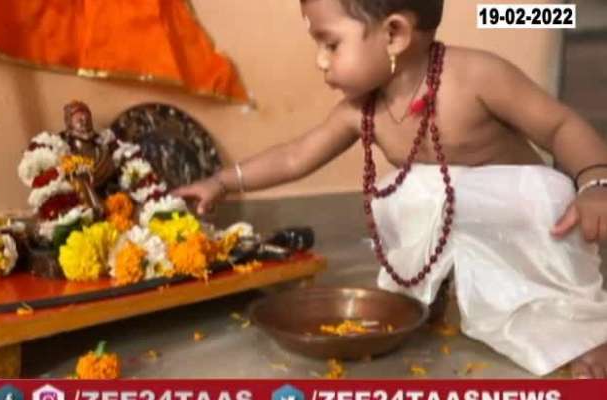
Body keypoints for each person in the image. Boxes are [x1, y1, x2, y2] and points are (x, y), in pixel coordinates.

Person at [172, 0, 607, 378]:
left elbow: (561, 125)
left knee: (530, 197)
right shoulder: (363, 110)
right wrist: (222, 182)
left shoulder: (476, 76)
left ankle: (576, 329)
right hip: (464, 227)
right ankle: (433, 289)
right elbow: (293, 157)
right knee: (402, 192)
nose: (320, 61)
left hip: (530, 230)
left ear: (395, 34)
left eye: (331, 44)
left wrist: (595, 183)